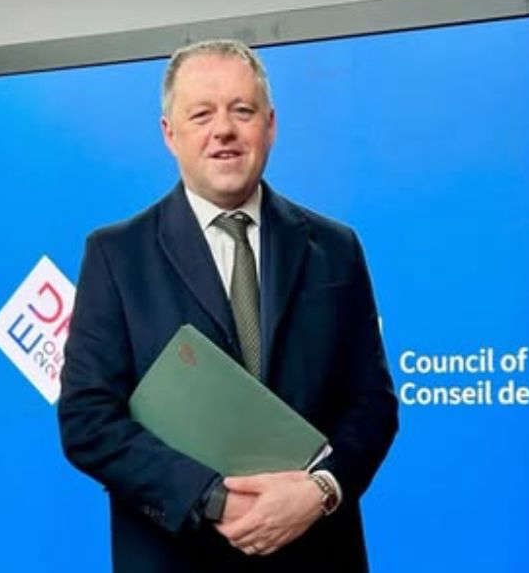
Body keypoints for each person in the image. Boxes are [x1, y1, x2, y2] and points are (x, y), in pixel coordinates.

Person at [58, 39, 398, 572]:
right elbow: (88, 420)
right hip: (177, 557)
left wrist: (321, 489)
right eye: (201, 114)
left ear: (270, 124)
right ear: (169, 133)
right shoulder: (116, 256)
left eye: (242, 111)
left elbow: (372, 404)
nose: (224, 130)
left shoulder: (336, 248)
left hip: (316, 555)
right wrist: (213, 497)